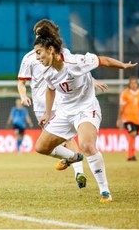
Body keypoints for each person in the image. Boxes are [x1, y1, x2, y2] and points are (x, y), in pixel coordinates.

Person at [34, 25, 137, 202]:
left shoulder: (75, 62)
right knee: (41, 147)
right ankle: (74, 157)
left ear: (50, 49)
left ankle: (105, 192)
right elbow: (50, 90)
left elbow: (103, 60)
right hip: (65, 112)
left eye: (38, 52)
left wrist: (123, 66)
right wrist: (47, 113)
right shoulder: (48, 72)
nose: (37, 57)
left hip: (86, 108)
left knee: (87, 144)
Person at [18, 19, 108, 189]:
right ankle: (74, 158)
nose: (38, 35)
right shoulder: (29, 58)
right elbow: (21, 83)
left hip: (61, 102)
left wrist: (92, 80)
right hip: (40, 105)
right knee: (47, 144)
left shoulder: (61, 53)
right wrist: (23, 96)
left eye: (41, 32)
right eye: (37, 33)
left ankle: (78, 171)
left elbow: (76, 70)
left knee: (69, 137)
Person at [116, 77, 139, 161]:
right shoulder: (125, 93)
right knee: (132, 134)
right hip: (127, 119)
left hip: (137, 119)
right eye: (131, 83)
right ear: (129, 84)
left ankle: (132, 154)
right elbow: (121, 108)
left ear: (137, 84)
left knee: (133, 136)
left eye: (135, 83)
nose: (133, 84)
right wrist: (119, 119)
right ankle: (130, 155)